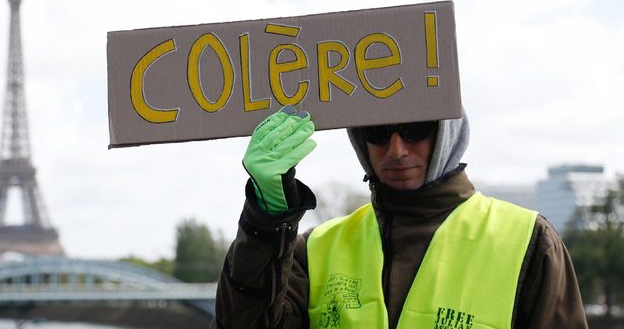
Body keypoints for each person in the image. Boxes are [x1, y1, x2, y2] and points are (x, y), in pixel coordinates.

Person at [212, 106, 587, 329]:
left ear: (448, 129)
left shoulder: (529, 243)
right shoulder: (315, 250)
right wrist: (266, 219)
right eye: (376, 132)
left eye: (415, 129)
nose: (396, 150)